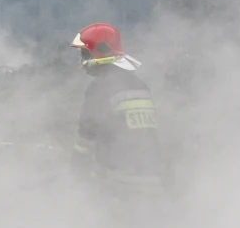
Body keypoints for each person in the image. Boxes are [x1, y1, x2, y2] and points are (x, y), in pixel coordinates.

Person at [69, 23, 167, 195]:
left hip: (118, 183)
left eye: (85, 53)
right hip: (152, 180)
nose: (83, 60)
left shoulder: (100, 88)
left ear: (99, 51)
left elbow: (86, 136)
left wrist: (76, 168)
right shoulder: (140, 86)